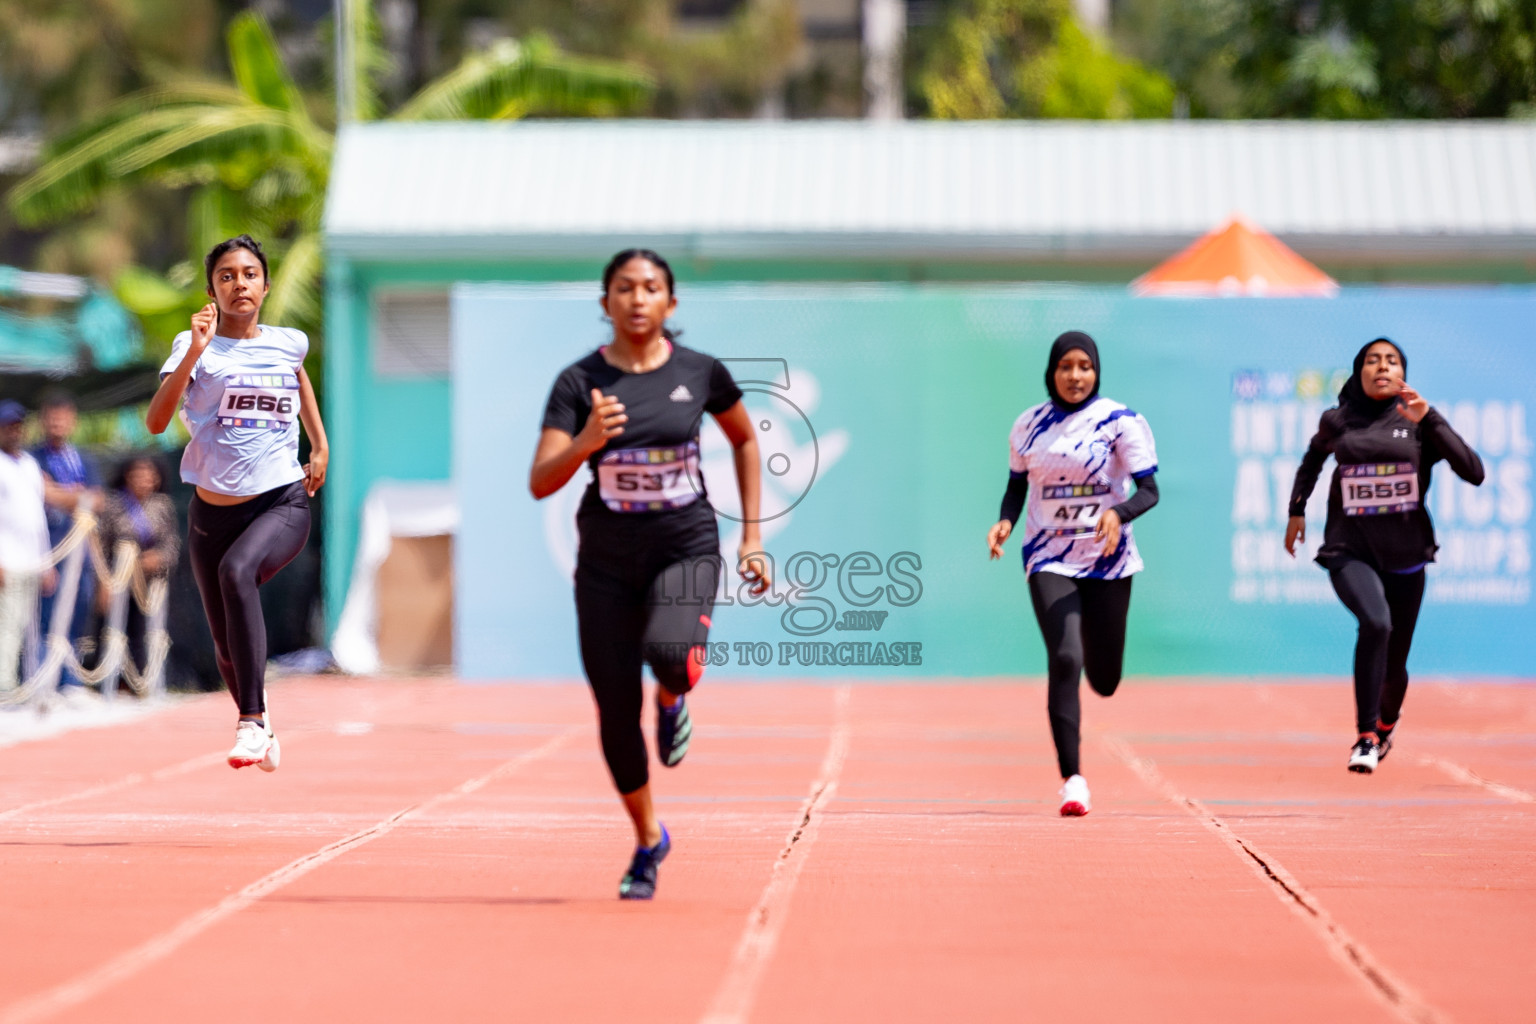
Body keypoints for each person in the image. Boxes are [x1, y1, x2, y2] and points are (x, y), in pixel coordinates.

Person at [530, 248, 770, 900]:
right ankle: (647, 840)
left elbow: (745, 439)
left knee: (671, 658)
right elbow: (540, 481)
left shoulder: (700, 372)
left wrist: (749, 537)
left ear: (671, 302)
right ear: (605, 302)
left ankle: (674, 697)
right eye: (625, 289)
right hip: (605, 561)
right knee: (614, 711)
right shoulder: (578, 383)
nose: (638, 299)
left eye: (652, 288)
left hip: (684, 544)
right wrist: (586, 442)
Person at [145, 235, 329, 770]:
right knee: (226, 646)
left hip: (281, 502)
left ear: (265, 286)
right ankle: (264, 724)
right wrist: (197, 352)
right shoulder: (193, 346)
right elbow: (157, 422)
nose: (239, 283)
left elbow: (299, 381)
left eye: (249, 274)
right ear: (212, 291)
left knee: (238, 572)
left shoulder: (288, 342)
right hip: (211, 513)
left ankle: (249, 721)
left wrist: (319, 443)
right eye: (227, 276)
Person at [1285, 338, 1483, 774]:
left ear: (1402, 374)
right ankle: (1365, 736)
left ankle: (1386, 724)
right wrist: (1297, 510)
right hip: (1348, 548)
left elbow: (1475, 472)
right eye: (1372, 360)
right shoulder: (1337, 420)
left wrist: (1430, 420)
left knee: (1396, 664)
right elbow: (1312, 460)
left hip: (1406, 555)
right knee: (1375, 622)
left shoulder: (1416, 422)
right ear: (1358, 372)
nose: (1381, 366)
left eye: (1391, 361)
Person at [986, 331, 1160, 817]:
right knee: (1065, 656)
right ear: (1052, 371)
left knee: (1104, 679)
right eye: (1066, 366)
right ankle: (1073, 780)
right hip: (1048, 556)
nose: (1075, 375)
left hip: (1109, 559)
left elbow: (1149, 491)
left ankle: (1096, 667)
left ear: (1096, 371)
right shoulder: (1028, 425)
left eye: (1084, 366)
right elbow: (1016, 487)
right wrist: (1004, 520)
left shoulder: (1121, 422)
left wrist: (1118, 514)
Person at [31, 391, 100, 694]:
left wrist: (62, 493)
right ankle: (47, 680)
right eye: (52, 417)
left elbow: (98, 500)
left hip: (82, 551)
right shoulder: (32, 458)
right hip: (47, 549)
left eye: (63, 418)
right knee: (46, 618)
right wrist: (75, 495)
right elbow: (41, 493)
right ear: (43, 421)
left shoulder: (84, 457)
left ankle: (71, 680)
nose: (57, 423)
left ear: (72, 421)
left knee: (77, 614)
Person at [98, 455, 179, 679]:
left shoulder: (162, 506)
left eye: (148, 475)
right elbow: (101, 545)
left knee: (144, 629)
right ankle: (111, 680)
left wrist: (159, 558)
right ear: (127, 477)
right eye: (137, 474)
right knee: (114, 626)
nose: (143, 479)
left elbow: (171, 544)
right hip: (118, 577)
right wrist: (104, 581)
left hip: (150, 583)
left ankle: (143, 680)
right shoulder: (114, 505)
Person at [0, 401, 56, 692]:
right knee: (5, 627)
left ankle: (24, 685)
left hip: (31, 560)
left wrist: (46, 562)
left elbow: (37, 517)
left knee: (26, 628)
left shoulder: (30, 464)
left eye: (18, 425)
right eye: (8, 426)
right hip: (6, 560)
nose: (14, 431)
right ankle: (4, 688)